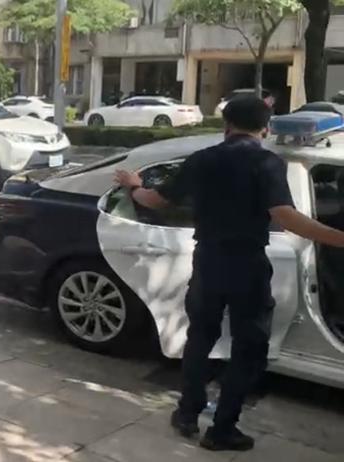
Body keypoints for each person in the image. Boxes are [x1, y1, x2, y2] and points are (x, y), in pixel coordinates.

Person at [115, 96, 344, 452]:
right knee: (248, 349)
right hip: (247, 267)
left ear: (226, 125)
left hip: (207, 262)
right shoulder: (267, 162)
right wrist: (339, 239)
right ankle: (222, 429)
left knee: (200, 339)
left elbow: (155, 200)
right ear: (265, 128)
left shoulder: (202, 159)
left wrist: (133, 185)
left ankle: (187, 413)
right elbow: (285, 217)